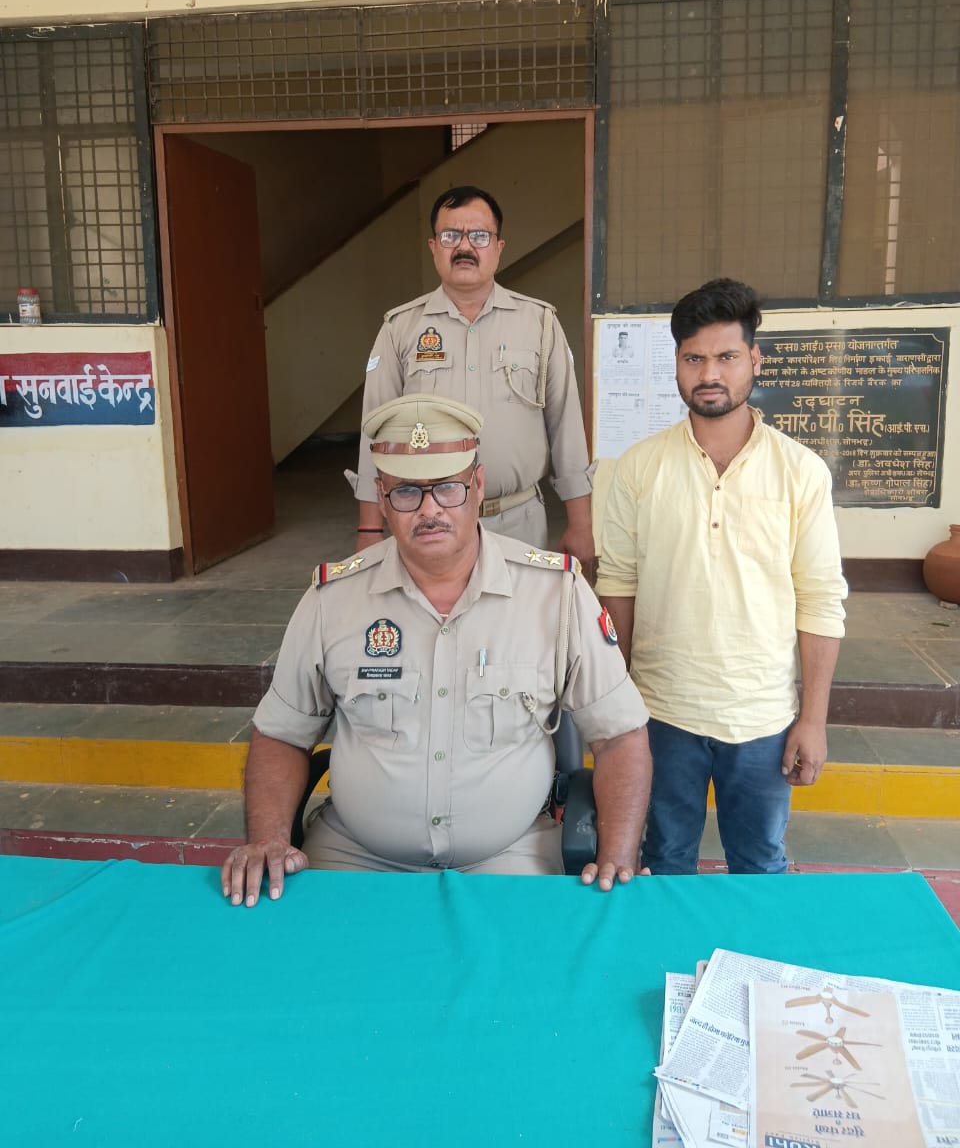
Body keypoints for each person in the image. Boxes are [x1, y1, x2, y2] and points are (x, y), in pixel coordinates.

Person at [223, 394, 652, 906]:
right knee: (309, 953)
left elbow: (620, 737)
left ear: (478, 485)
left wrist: (618, 855)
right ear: (381, 498)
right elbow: (281, 734)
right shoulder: (332, 600)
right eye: (407, 492)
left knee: (533, 956)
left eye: (448, 487)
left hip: (512, 855)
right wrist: (268, 839)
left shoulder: (555, 594)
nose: (429, 510)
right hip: (354, 854)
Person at [596, 278, 847, 876]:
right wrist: (615, 707)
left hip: (762, 717)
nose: (710, 373)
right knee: (664, 861)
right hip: (661, 713)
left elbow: (820, 600)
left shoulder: (801, 472)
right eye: (694, 358)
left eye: (727, 356)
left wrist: (812, 720)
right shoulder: (639, 468)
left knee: (760, 865)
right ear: (677, 364)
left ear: (754, 359)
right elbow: (618, 587)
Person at [351, 185, 596, 572]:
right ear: (434, 247)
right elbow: (375, 431)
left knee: (520, 612)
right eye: (451, 235)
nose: (464, 246)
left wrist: (581, 523)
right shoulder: (400, 328)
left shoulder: (539, 323)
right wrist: (369, 529)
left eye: (479, 236)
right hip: (427, 522)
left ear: (498, 247)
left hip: (518, 521)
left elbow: (565, 425)